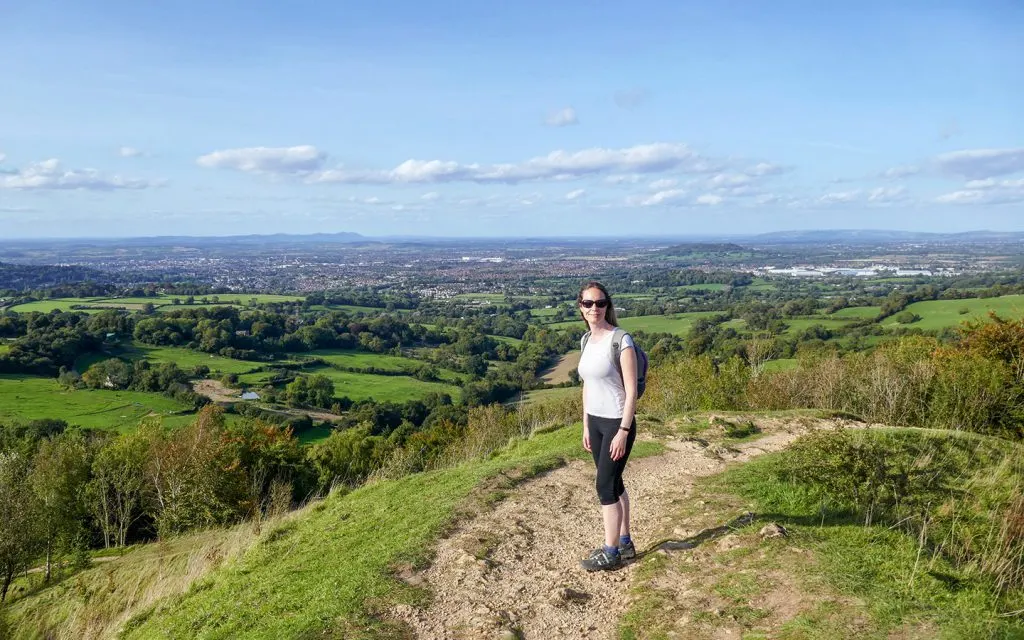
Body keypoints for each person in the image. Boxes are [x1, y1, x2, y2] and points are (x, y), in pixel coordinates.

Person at [575, 281, 638, 572]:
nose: (595, 309)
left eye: (600, 303)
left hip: (616, 422)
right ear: (581, 307)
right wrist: (586, 424)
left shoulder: (621, 340)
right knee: (614, 483)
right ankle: (625, 542)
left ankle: (611, 551)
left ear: (608, 306)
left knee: (604, 487)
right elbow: (588, 385)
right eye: (588, 304)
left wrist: (623, 431)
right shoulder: (586, 341)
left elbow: (631, 391)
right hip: (597, 422)